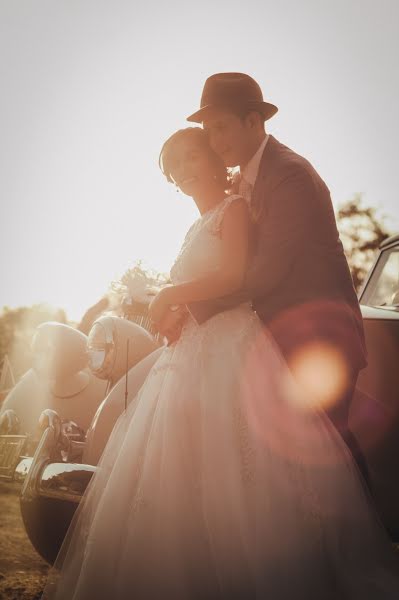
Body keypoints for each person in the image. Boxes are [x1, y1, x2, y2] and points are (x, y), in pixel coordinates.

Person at [42, 126, 399, 599]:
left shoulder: (234, 211)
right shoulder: (197, 223)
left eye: (191, 159)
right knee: (178, 469)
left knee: (238, 466)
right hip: (189, 352)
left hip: (232, 348)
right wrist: (172, 313)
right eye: (175, 168)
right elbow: (206, 285)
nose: (185, 173)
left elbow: (234, 276)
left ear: (214, 159)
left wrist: (172, 293)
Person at [161, 72, 369, 487]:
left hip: (319, 340)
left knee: (331, 454)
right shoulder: (242, 181)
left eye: (221, 127)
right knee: (292, 465)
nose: (214, 142)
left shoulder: (289, 174)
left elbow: (264, 272)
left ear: (253, 121)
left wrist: (184, 300)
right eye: (208, 131)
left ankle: (365, 545)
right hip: (275, 342)